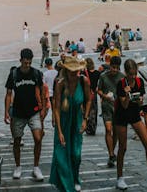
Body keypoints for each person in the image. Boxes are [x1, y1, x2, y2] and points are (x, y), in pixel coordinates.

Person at [114, 59, 147, 191]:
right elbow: (124, 105)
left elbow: (140, 103)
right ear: (125, 72)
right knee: (123, 147)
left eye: (134, 73)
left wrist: (139, 100)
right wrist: (126, 94)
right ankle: (119, 178)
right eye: (130, 74)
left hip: (134, 114)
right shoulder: (121, 84)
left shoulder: (139, 82)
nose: (133, 76)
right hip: (121, 116)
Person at [50, 56, 91, 192]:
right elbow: (56, 107)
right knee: (61, 153)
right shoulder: (60, 83)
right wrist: (59, 131)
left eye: (76, 71)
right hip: (63, 121)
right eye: (71, 71)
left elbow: (89, 100)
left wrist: (85, 119)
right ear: (66, 71)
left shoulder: (83, 81)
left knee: (76, 153)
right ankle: (66, 182)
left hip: (77, 120)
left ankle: (75, 178)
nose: (74, 74)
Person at [4, 48, 45, 181]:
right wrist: (6, 111)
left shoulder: (36, 74)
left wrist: (43, 108)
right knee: (17, 140)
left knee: (38, 138)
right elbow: (9, 94)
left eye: (29, 62)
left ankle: (36, 167)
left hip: (33, 111)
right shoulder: (14, 74)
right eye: (25, 62)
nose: (27, 65)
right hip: (18, 112)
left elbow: (42, 92)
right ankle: (18, 166)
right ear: (20, 60)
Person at [97, 55, 123, 167]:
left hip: (118, 106)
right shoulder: (103, 76)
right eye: (113, 67)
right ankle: (111, 154)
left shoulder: (122, 77)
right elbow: (98, 90)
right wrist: (104, 96)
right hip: (106, 105)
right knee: (108, 129)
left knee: (116, 131)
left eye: (117, 68)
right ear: (110, 66)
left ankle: (112, 152)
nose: (115, 70)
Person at [84, 57, 100, 135]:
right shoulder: (97, 73)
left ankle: (88, 127)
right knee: (94, 111)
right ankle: (93, 127)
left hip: (86, 93)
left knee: (87, 110)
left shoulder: (84, 73)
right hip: (94, 94)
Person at [43, 58, 58, 122]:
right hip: (56, 93)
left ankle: (42, 121)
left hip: (48, 94)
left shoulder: (45, 74)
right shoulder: (57, 72)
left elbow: (43, 85)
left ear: (46, 64)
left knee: (46, 109)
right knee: (54, 109)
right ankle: (54, 120)